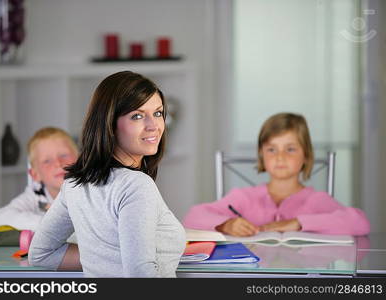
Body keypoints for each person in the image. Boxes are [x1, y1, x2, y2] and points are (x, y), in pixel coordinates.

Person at [28, 71, 186, 277]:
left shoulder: (75, 183)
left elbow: (41, 254)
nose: (154, 126)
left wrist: (102, 259)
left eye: (157, 113)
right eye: (137, 116)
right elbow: (141, 276)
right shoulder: (136, 185)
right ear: (109, 124)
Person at [183, 112, 370, 236]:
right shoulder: (244, 197)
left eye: (290, 149)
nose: (280, 157)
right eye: (272, 150)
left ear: (306, 154)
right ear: (262, 155)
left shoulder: (316, 200)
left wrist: (298, 223)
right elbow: (193, 216)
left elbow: (360, 223)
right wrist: (226, 224)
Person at [0, 127, 79, 231]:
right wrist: (52, 224)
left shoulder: (91, 189)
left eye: (64, 155)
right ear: (35, 175)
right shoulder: (37, 194)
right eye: (47, 161)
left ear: (81, 159)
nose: (58, 163)